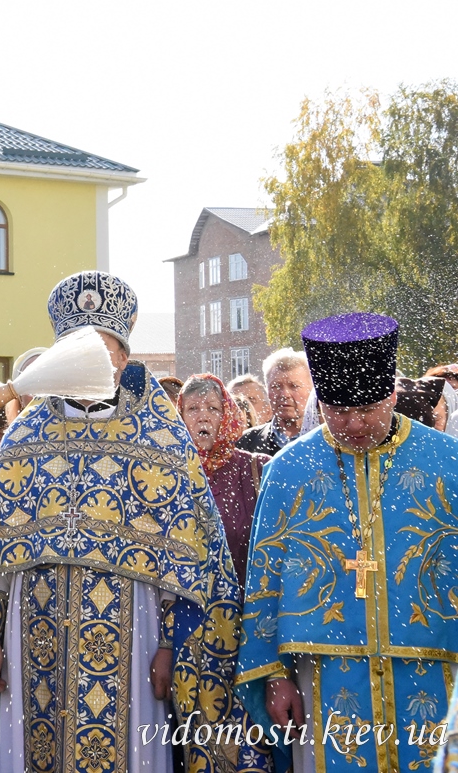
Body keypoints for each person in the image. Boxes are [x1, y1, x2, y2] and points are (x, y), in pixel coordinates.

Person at [0, 271, 264, 773]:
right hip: (31, 631)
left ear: (125, 359)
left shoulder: (159, 438)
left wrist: (172, 646)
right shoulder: (26, 437)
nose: (93, 360)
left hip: (137, 632)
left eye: (106, 350)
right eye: (79, 348)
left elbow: (185, 561)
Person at [238, 313, 458, 773]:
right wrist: (274, 676)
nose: (354, 424)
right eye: (339, 413)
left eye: (368, 410)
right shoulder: (289, 470)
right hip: (325, 676)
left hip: (437, 672)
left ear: (393, 396)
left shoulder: (447, 462)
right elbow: (265, 580)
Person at [177, 374, 270, 584]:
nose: (203, 417)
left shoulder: (258, 468)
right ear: (179, 416)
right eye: (192, 409)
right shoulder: (168, 472)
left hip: (246, 603)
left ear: (227, 414)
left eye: (213, 408)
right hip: (190, 605)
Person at [237, 348, 313, 455]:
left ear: (312, 390)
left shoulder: (330, 442)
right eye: (276, 386)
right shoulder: (245, 444)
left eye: (294, 386)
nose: (284, 394)